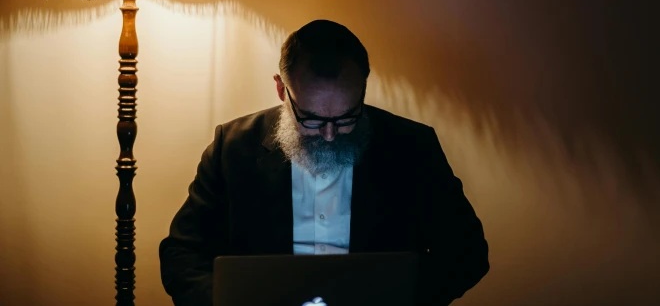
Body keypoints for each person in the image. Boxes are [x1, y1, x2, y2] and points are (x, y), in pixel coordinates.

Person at [159, 19, 489, 306]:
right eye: (312, 119)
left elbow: (467, 253)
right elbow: (182, 254)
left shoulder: (413, 147)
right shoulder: (231, 147)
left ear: (362, 89)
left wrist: (398, 301)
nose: (330, 134)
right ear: (280, 89)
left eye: (347, 118)